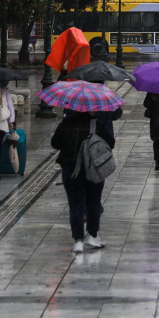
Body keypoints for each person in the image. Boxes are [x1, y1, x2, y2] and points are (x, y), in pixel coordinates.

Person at [51, 105, 122, 252]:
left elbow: (55, 143)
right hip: (93, 169)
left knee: (76, 203)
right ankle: (93, 235)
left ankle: (78, 240)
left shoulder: (66, 124)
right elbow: (111, 143)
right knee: (93, 201)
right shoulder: (97, 125)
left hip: (71, 170)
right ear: (90, 110)